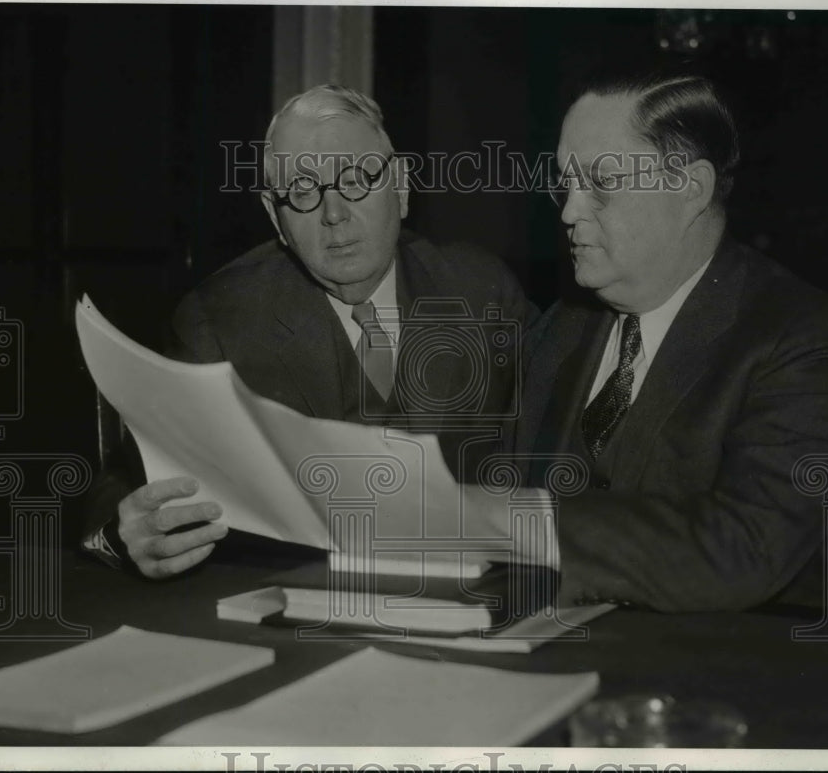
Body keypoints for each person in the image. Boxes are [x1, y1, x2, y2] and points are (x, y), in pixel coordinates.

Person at [83, 84, 535, 579]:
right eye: (301, 192)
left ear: (401, 186)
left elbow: (563, 443)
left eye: (357, 179)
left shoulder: (480, 291)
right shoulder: (220, 319)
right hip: (297, 600)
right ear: (274, 217)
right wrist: (120, 535)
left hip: (469, 594)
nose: (334, 214)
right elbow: (126, 481)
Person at [502, 70, 828, 611]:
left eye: (600, 182)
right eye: (566, 183)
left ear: (690, 188)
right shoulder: (560, 328)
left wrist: (518, 522)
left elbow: (746, 548)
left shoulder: (808, 340)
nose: (570, 211)